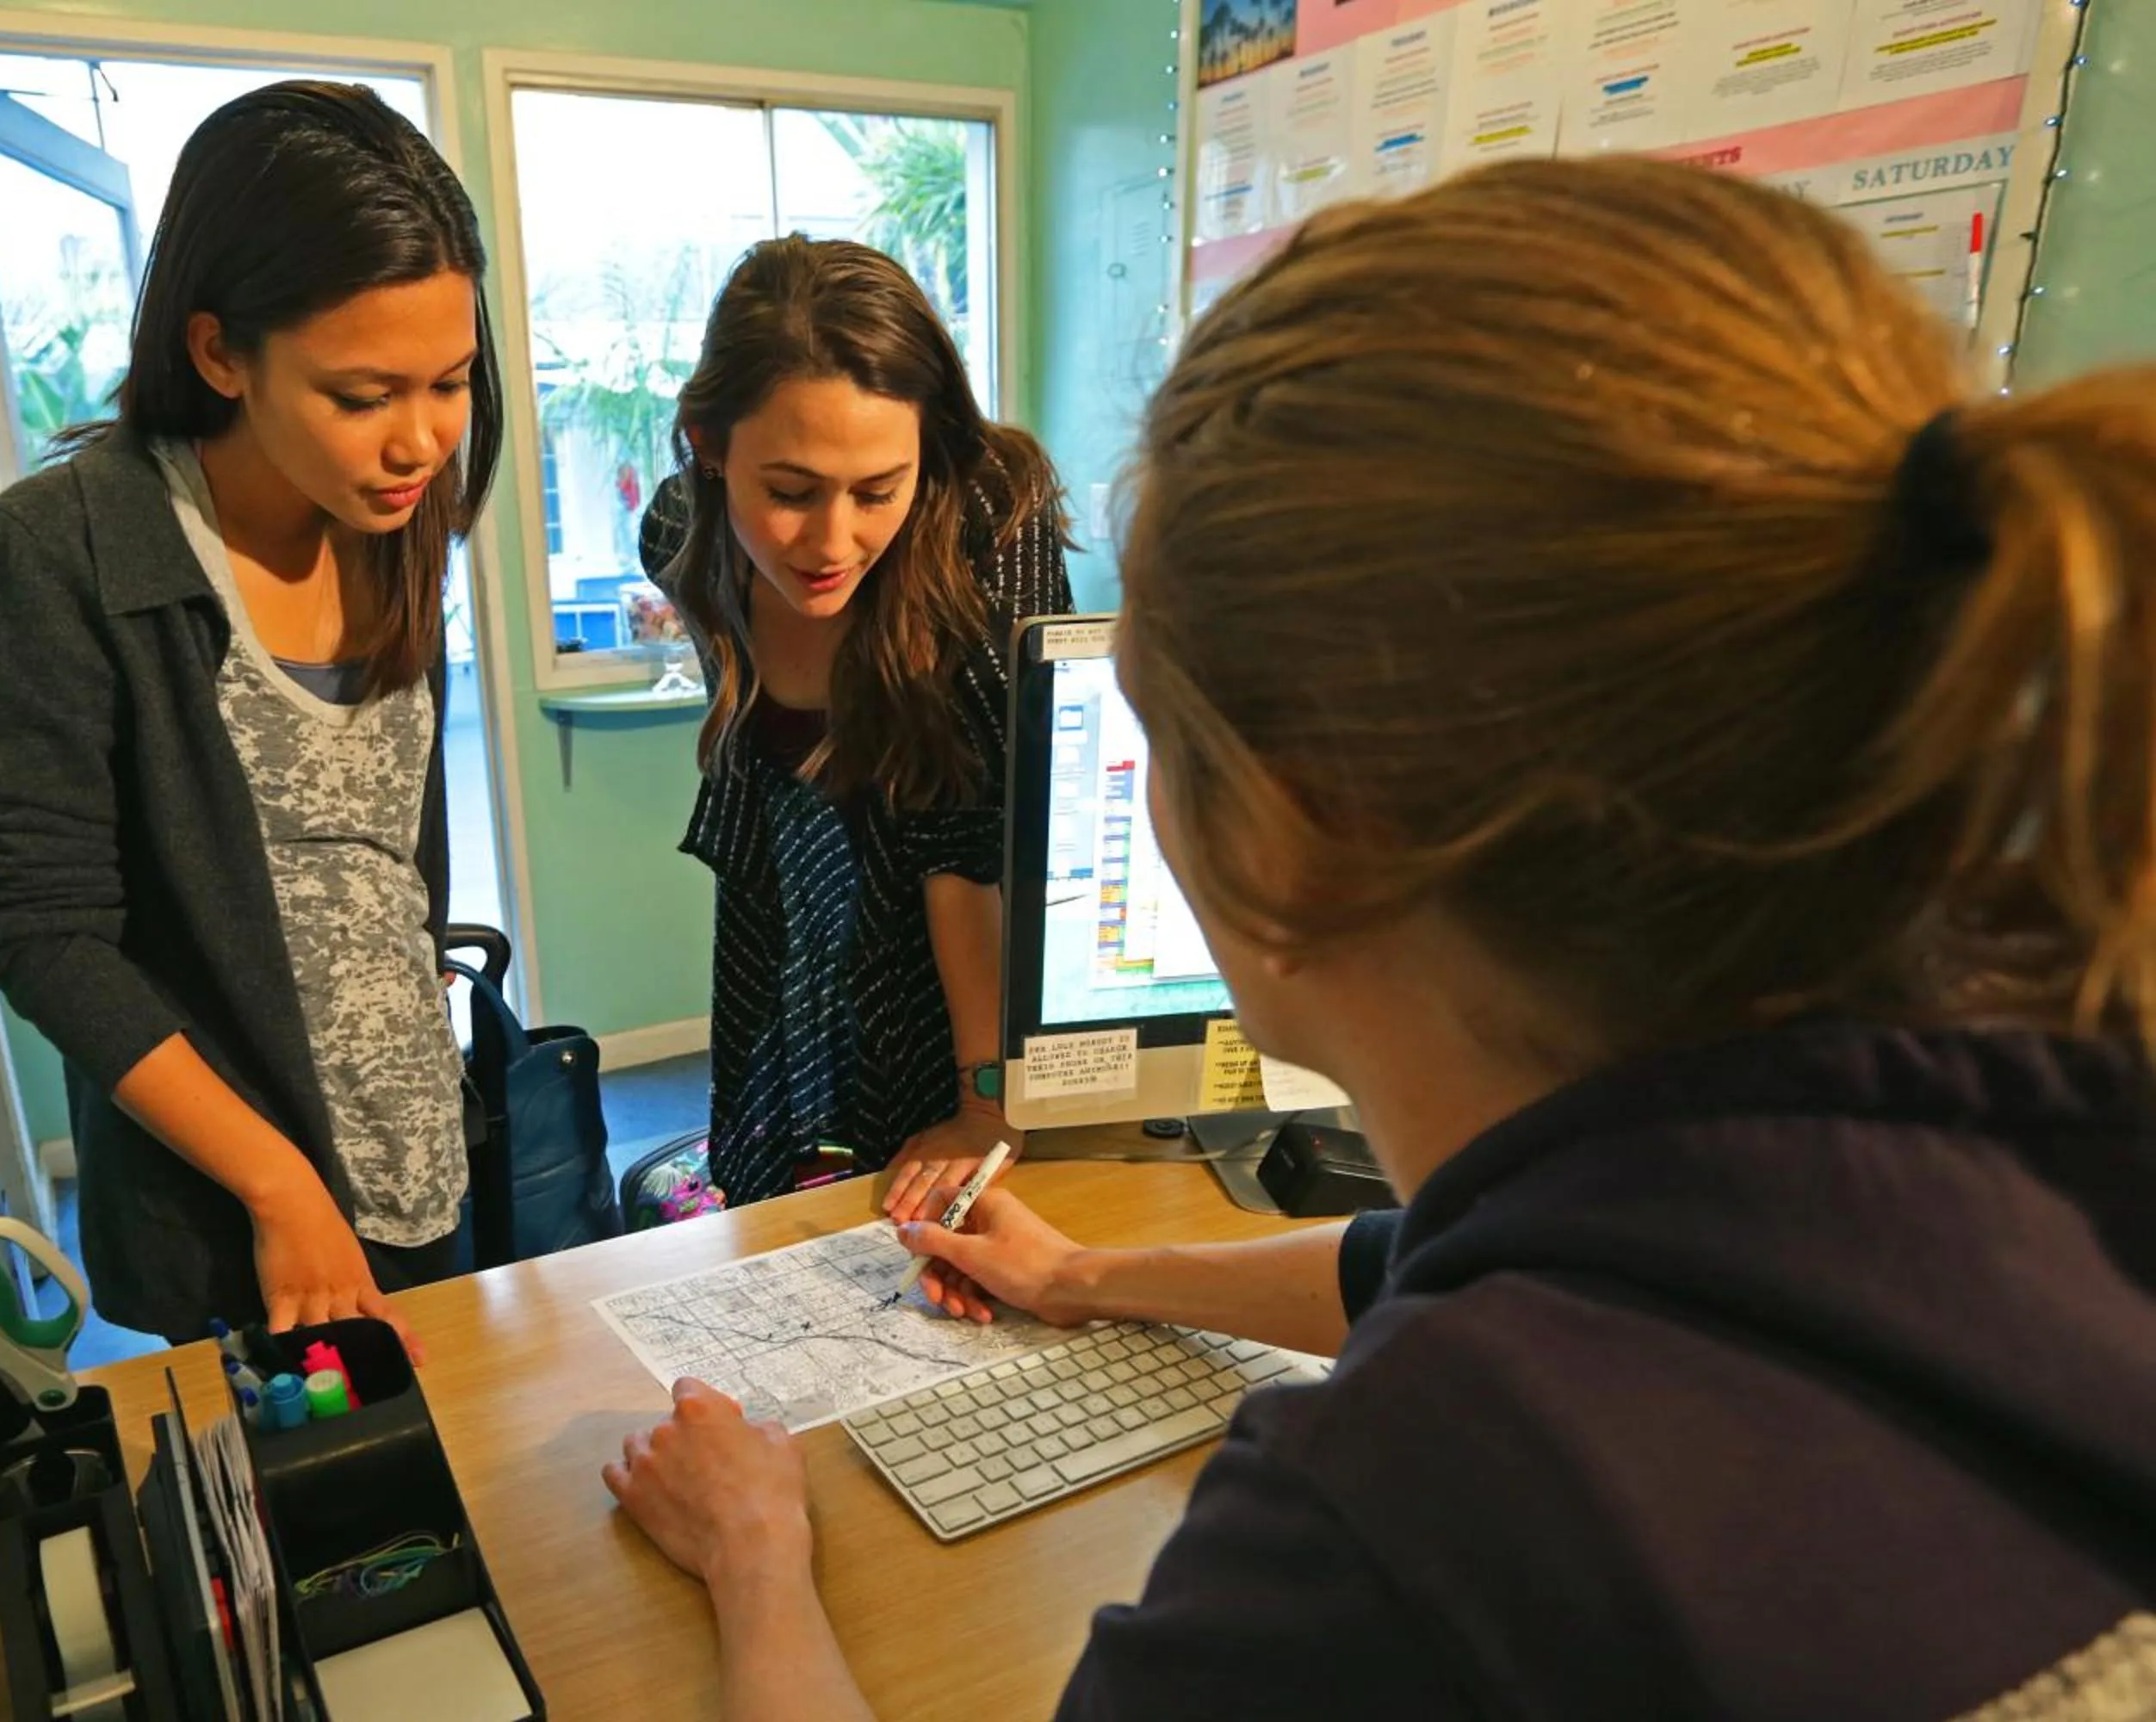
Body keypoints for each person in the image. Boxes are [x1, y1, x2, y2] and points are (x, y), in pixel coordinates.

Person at [603, 155, 2156, 1718]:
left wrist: (756, 1554)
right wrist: (1095, 1278)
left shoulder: (1401, 1533)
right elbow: (1431, 1257)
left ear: (1280, 834)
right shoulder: (2032, 1145)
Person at [0, 83, 503, 1353]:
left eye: (452, 382)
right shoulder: (63, 552)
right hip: (234, 1196)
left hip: (417, 1149)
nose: (418, 442)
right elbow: (49, 935)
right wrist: (275, 1182)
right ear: (217, 353)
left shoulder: (393, 524)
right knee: (289, 1526)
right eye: (362, 395)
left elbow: (388, 877)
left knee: (456, 1502)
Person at [638, 237, 1073, 1218]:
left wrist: (986, 1100)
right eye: (789, 493)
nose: (834, 543)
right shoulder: (677, 532)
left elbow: (975, 842)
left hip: (961, 947)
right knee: (770, 1197)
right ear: (709, 446)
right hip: (782, 910)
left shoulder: (991, 523)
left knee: (936, 1212)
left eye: (879, 490)